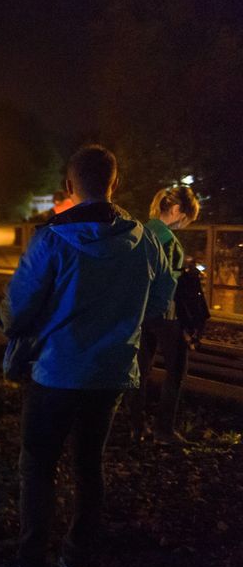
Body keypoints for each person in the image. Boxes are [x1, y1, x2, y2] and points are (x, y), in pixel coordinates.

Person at [0, 145, 176, 567]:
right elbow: (158, 303)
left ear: (70, 187)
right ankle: (76, 562)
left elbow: (17, 311)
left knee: (38, 466)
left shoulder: (52, 239)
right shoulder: (145, 239)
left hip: (54, 372)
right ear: (114, 184)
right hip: (111, 373)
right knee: (88, 465)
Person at [130, 185, 200, 443]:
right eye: (185, 219)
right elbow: (169, 283)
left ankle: (137, 427)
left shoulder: (140, 232)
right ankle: (164, 429)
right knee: (176, 370)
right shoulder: (168, 240)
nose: (183, 225)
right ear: (176, 210)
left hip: (139, 313)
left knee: (140, 370)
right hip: (165, 315)